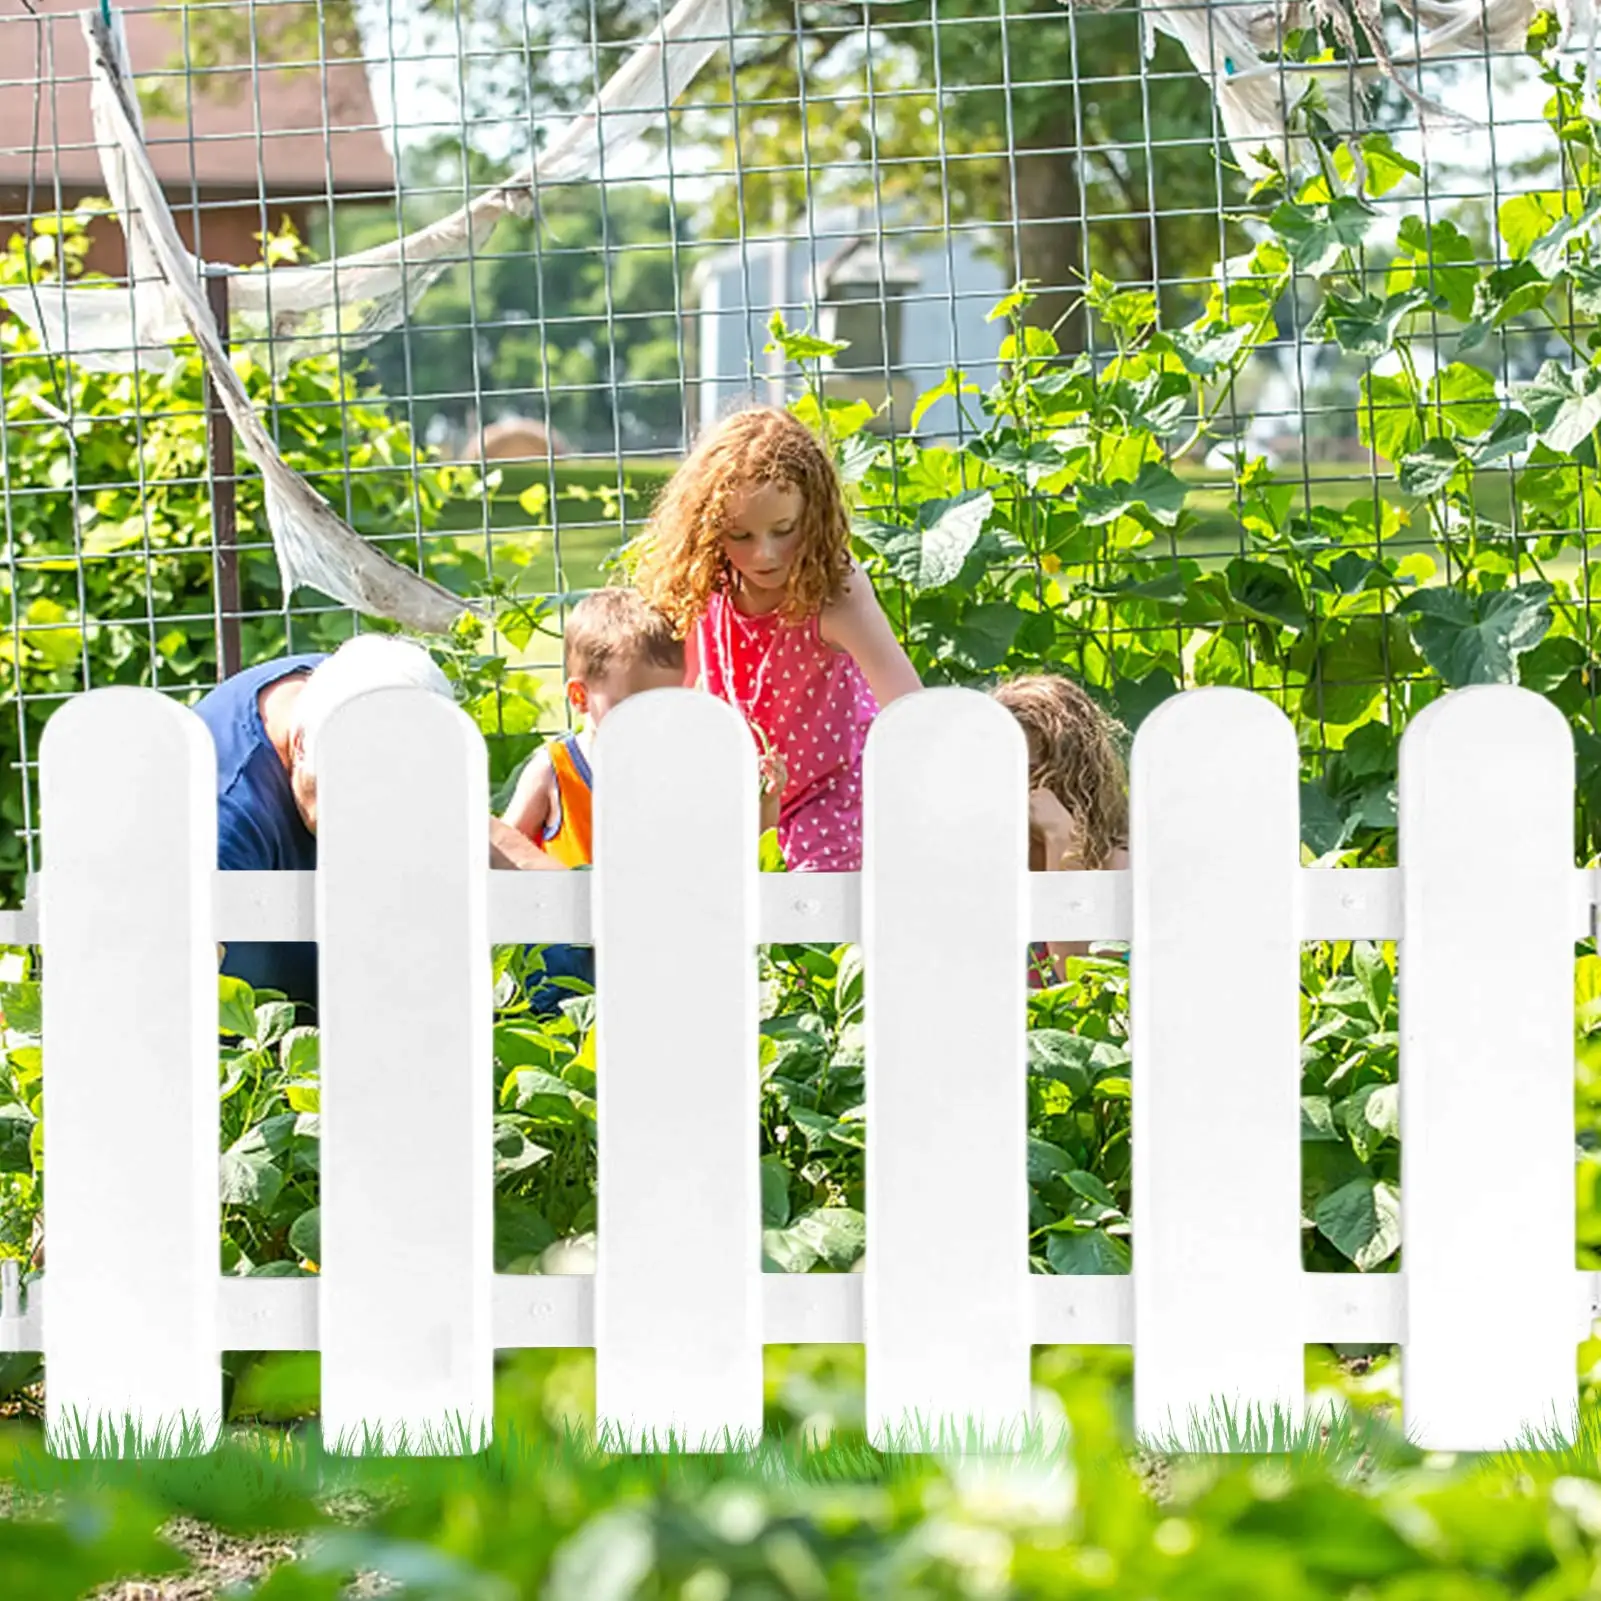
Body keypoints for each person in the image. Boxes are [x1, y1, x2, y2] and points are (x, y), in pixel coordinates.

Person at [197, 634, 558, 1015]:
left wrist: (579, 927)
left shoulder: (371, 688)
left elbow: (475, 832)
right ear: (301, 746)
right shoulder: (222, 816)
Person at [630, 405, 920, 871]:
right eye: (739, 534)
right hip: (743, 795)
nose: (763, 554)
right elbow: (677, 691)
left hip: (834, 795)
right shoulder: (709, 579)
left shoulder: (834, 592)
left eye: (783, 530)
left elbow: (911, 709)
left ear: (814, 514)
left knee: (813, 920)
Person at [499, 588, 787, 1008]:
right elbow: (504, 851)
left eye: (667, 705)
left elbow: (739, 859)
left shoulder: (680, 770)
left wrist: (765, 802)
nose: (653, 722)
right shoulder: (555, 768)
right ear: (580, 697)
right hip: (566, 972)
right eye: (633, 706)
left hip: (655, 958)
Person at [990, 673, 1131, 987]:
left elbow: (1081, 985)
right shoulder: (991, 867)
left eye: (1030, 772)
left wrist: (1063, 842)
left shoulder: (1118, 865)